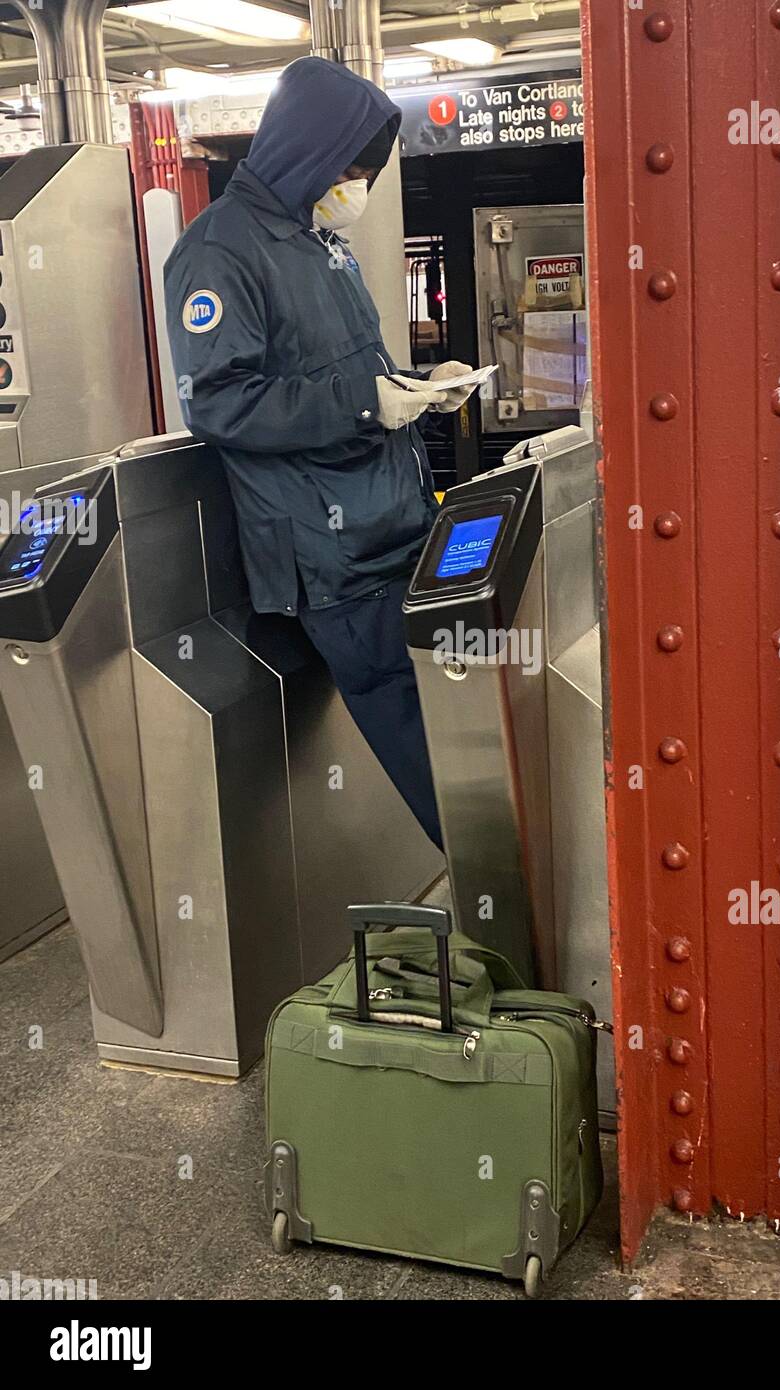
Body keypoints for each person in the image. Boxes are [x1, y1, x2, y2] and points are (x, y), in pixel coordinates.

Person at [164, 57, 477, 850]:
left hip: (395, 526)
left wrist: (414, 383)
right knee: (431, 753)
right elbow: (219, 402)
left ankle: (520, 896)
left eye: (368, 170)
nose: (357, 183)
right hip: (335, 556)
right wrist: (366, 402)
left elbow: (342, 373)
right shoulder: (219, 253)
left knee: (463, 737)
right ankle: (509, 910)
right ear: (302, 148)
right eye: (351, 166)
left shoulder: (315, 241)